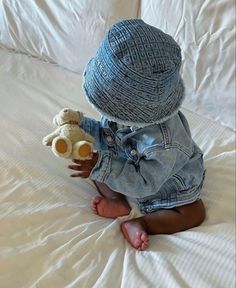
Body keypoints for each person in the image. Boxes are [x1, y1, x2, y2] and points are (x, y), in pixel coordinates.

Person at [68, 19, 206, 251]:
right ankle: (117, 201)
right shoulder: (119, 114)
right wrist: (82, 126)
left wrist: (104, 166)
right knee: (94, 162)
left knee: (194, 212)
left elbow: (145, 184)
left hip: (164, 182)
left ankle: (142, 222)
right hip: (127, 162)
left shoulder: (164, 144)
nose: (105, 113)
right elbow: (106, 135)